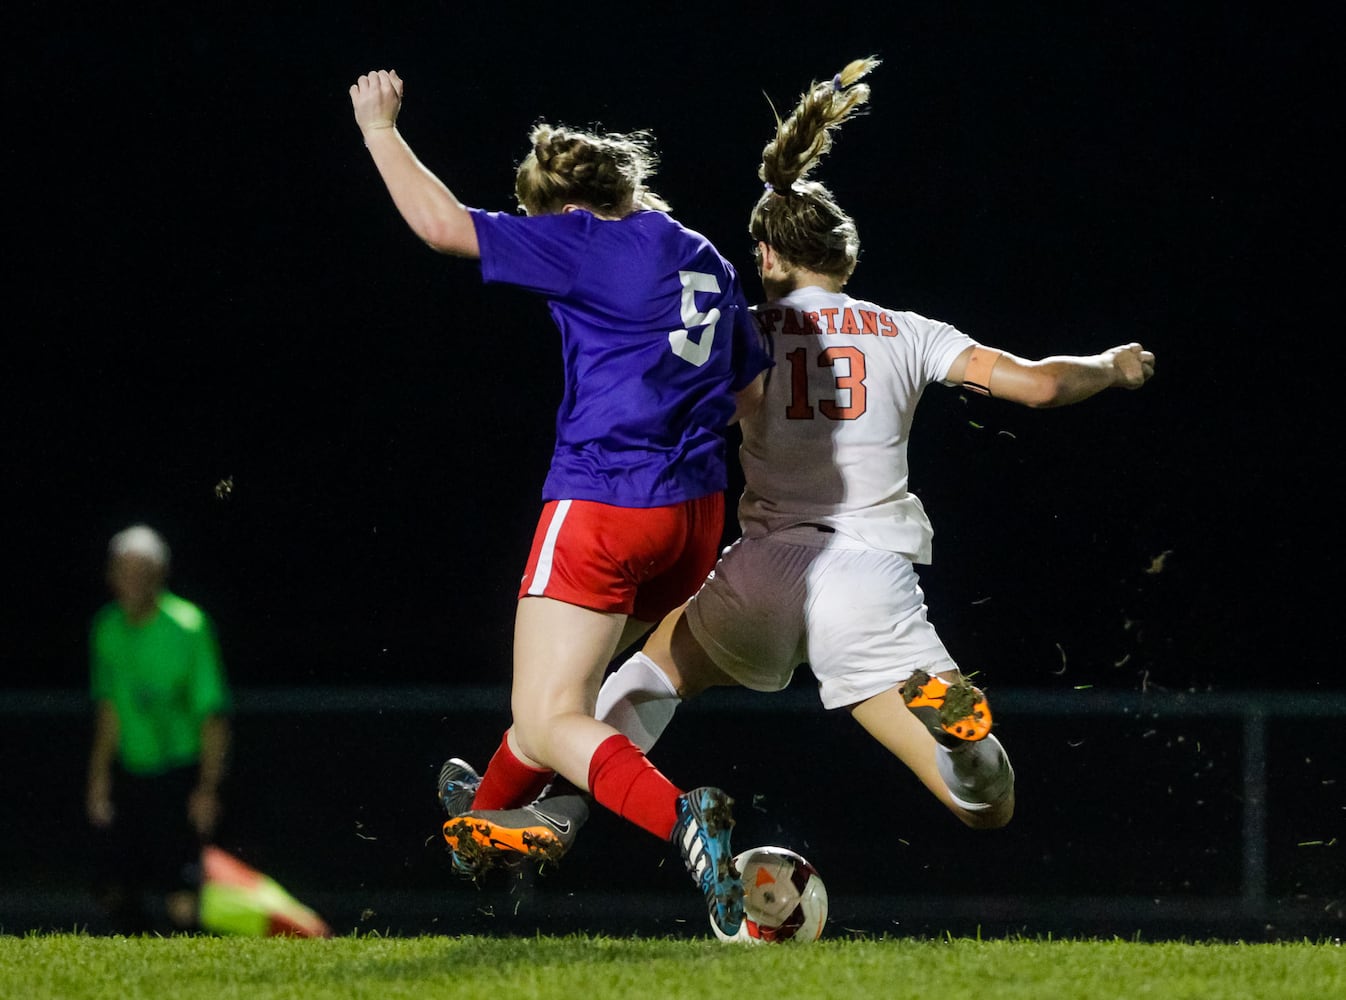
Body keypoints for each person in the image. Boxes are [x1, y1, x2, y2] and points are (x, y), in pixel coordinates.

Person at [445, 56, 1156, 875]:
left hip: (759, 567)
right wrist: (1109, 365)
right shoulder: (909, 331)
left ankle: (555, 819)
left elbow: (678, 391)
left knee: (639, 681)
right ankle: (964, 739)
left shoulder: (729, 325)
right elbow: (1036, 386)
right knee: (985, 806)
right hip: (865, 574)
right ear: (845, 258)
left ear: (769, 258)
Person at [349, 69, 773, 938]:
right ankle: (482, 825)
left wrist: (379, 131)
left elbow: (441, 227)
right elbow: (753, 398)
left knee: (547, 717)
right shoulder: (704, 254)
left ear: (564, 208)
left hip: (604, 503)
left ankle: (680, 819)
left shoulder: (579, 239)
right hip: (692, 522)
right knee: (551, 706)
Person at [85, 524, 233, 934]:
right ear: (110, 575)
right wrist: (98, 778)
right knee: (111, 886)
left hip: (179, 774)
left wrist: (207, 787)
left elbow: (213, 714)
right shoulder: (106, 628)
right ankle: (142, 955)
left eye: (142, 570)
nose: (131, 579)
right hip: (130, 772)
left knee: (183, 901)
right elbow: (109, 709)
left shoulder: (189, 625)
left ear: (159, 574)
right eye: (123, 569)